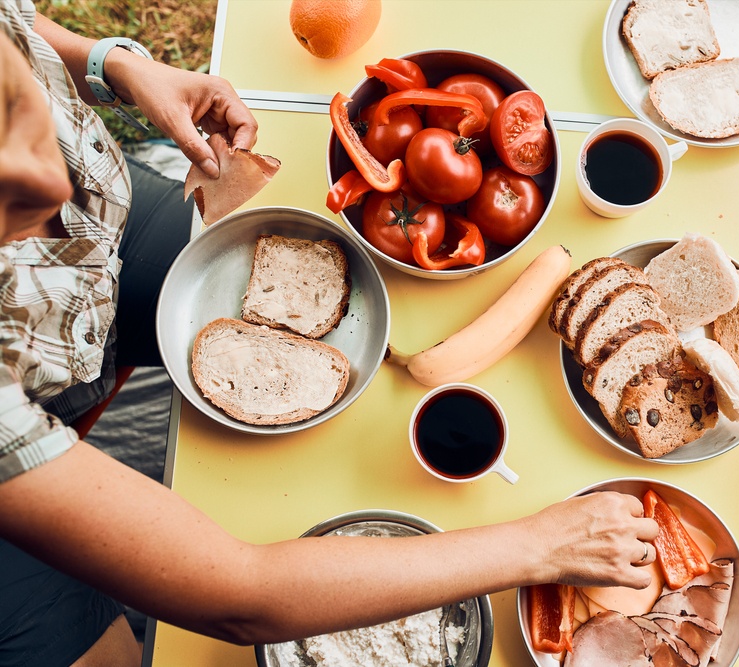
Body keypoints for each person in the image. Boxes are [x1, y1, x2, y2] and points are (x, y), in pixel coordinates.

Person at [0, 4, 660, 666]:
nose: (52, 183)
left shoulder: (56, 180)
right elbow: (238, 596)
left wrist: (113, 65)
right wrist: (539, 545)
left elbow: (21, 28)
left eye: (19, 122)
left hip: (95, 261)